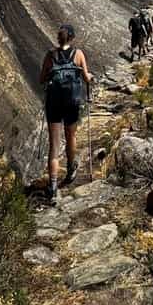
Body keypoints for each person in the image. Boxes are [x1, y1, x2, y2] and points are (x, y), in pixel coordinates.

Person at [40, 23, 93, 206]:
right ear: (72, 38)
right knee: (71, 135)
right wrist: (89, 77)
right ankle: (71, 170)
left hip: (53, 103)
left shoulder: (50, 55)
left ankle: (53, 187)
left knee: (54, 144)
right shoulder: (78, 54)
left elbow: (41, 79)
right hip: (72, 102)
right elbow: (86, 77)